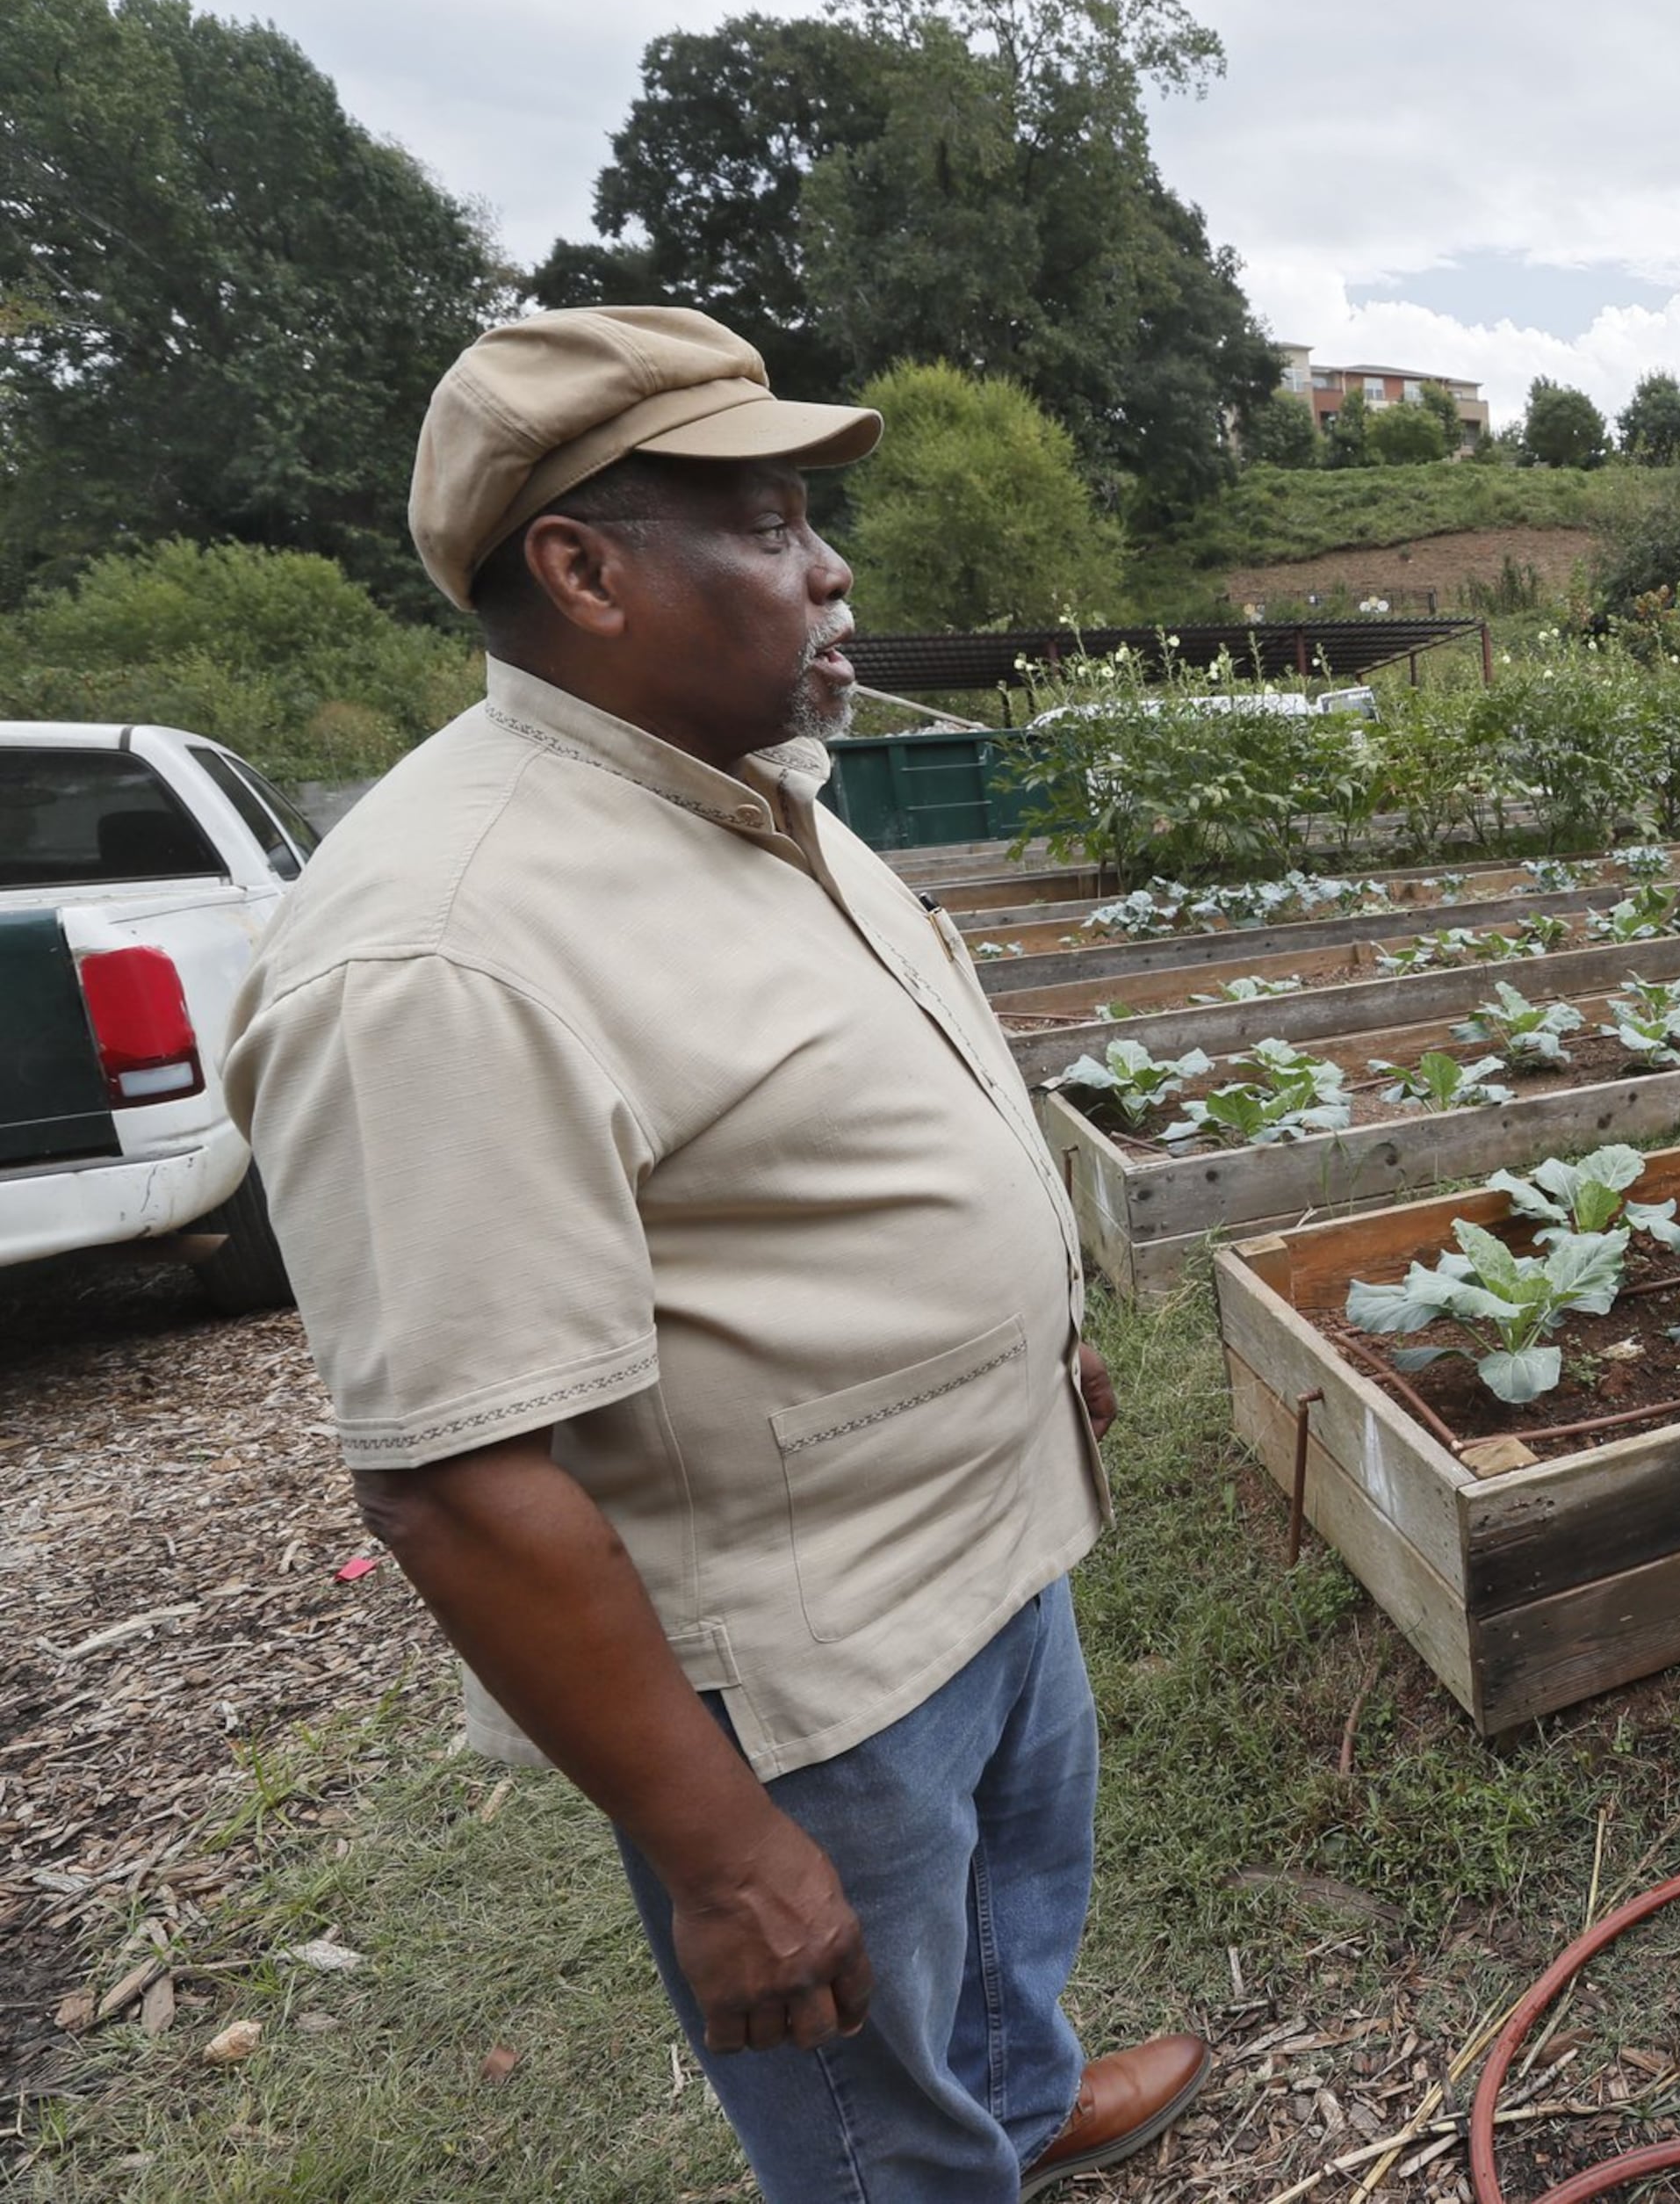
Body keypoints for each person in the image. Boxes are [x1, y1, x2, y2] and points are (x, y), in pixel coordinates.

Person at [225, 306, 1206, 2198]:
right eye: (763, 523)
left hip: (977, 1540)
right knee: (859, 2089)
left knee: (1003, 1917)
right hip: (805, 1677)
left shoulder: (750, 790)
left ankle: (1009, 2105)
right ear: (584, 570)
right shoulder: (442, 946)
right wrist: (727, 1854)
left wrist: (1040, 1328)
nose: (830, 565)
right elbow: (456, 1471)